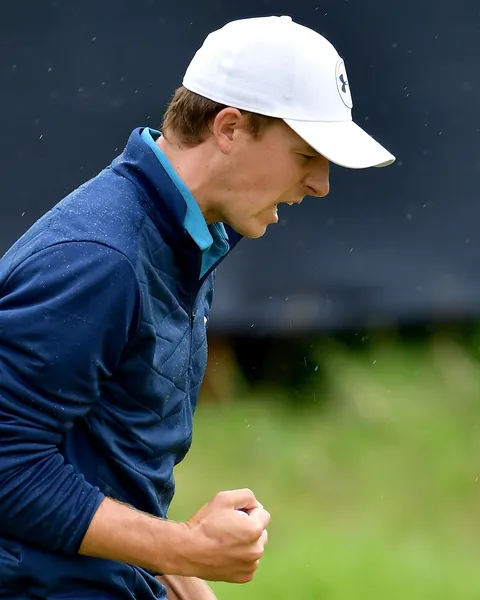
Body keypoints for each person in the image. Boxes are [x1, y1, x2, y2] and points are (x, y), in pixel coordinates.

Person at [0, 14, 395, 600]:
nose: (321, 183)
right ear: (229, 127)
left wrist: (180, 576)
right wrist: (184, 548)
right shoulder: (100, 259)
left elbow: (99, 459)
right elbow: (8, 463)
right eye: (306, 154)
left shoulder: (181, 237)